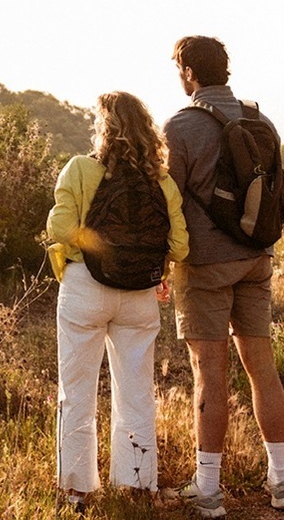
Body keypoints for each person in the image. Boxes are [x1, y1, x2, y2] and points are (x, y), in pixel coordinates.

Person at [164, 36, 284, 516]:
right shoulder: (261, 119)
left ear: (189, 72)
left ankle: (208, 489)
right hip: (256, 258)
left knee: (209, 377)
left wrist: (162, 264)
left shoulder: (180, 126)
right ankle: (281, 482)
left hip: (204, 267)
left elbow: (170, 202)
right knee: (263, 369)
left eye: (177, 69)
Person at [47, 91, 188, 511]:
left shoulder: (79, 169)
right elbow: (179, 245)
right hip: (140, 296)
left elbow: (60, 228)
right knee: (137, 391)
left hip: (84, 290)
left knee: (76, 391)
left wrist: (99, 250)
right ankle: (138, 484)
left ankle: (76, 490)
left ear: (103, 128)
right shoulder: (161, 181)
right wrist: (142, 260)